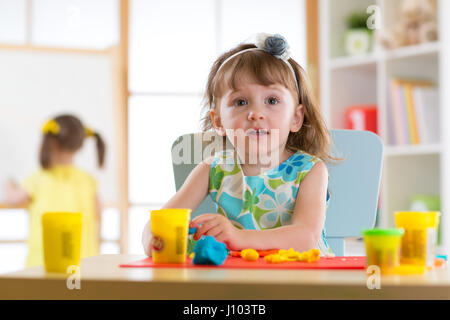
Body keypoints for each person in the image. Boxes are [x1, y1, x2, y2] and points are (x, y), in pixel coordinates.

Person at [142, 33, 335, 256]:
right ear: (219, 121)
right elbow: (161, 220)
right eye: (240, 102)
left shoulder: (310, 170)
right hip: (240, 282)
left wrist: (239, 237)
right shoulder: (213, 169)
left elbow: (305, 237)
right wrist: (152, 237)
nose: (255, 113)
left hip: (301, 282)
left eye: (272, 100)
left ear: (296, 118)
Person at [5, 114, 106, 267]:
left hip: (43, 265)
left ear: (50, 142)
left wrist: (9, 182)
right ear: (79, 144)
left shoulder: (38, 179)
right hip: (83, 265)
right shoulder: (88, 180)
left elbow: (14, 199)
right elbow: (99, 214)